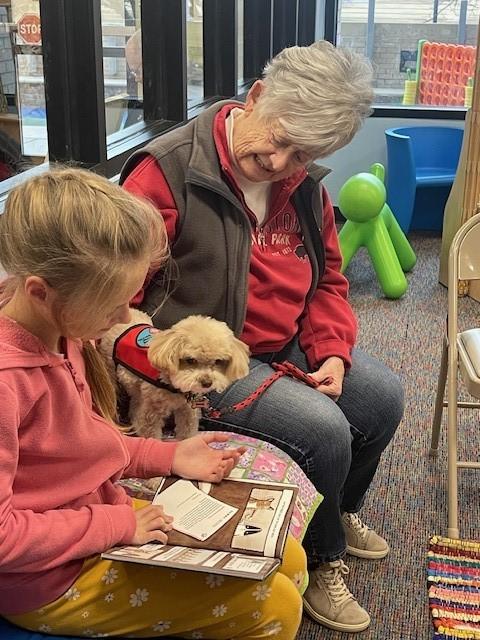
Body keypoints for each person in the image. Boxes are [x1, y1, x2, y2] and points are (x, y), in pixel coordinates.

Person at [121, 39, 405, 634]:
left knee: (381, 398)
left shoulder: (305, 188)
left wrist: (330, 350)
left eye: (300, 153)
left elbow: (328, 279)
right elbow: (110, 298)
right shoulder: (166, 172)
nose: (279, 162)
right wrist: (160, 360)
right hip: (207, 361)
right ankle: (324, 559)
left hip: (285, 345)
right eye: (277, 139)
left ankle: (336, 511)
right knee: (322, 430)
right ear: (255, 96)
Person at [0, 168, 307, 639]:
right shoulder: (10, 380)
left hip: (98, 520)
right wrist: (115, 523)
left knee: (289, 557)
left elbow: (79, 449)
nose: (123, 317)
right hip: (48, 578)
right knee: (277, 606)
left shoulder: (67, 333)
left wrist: (166, 454)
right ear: (42, 293)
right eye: (110, 306)